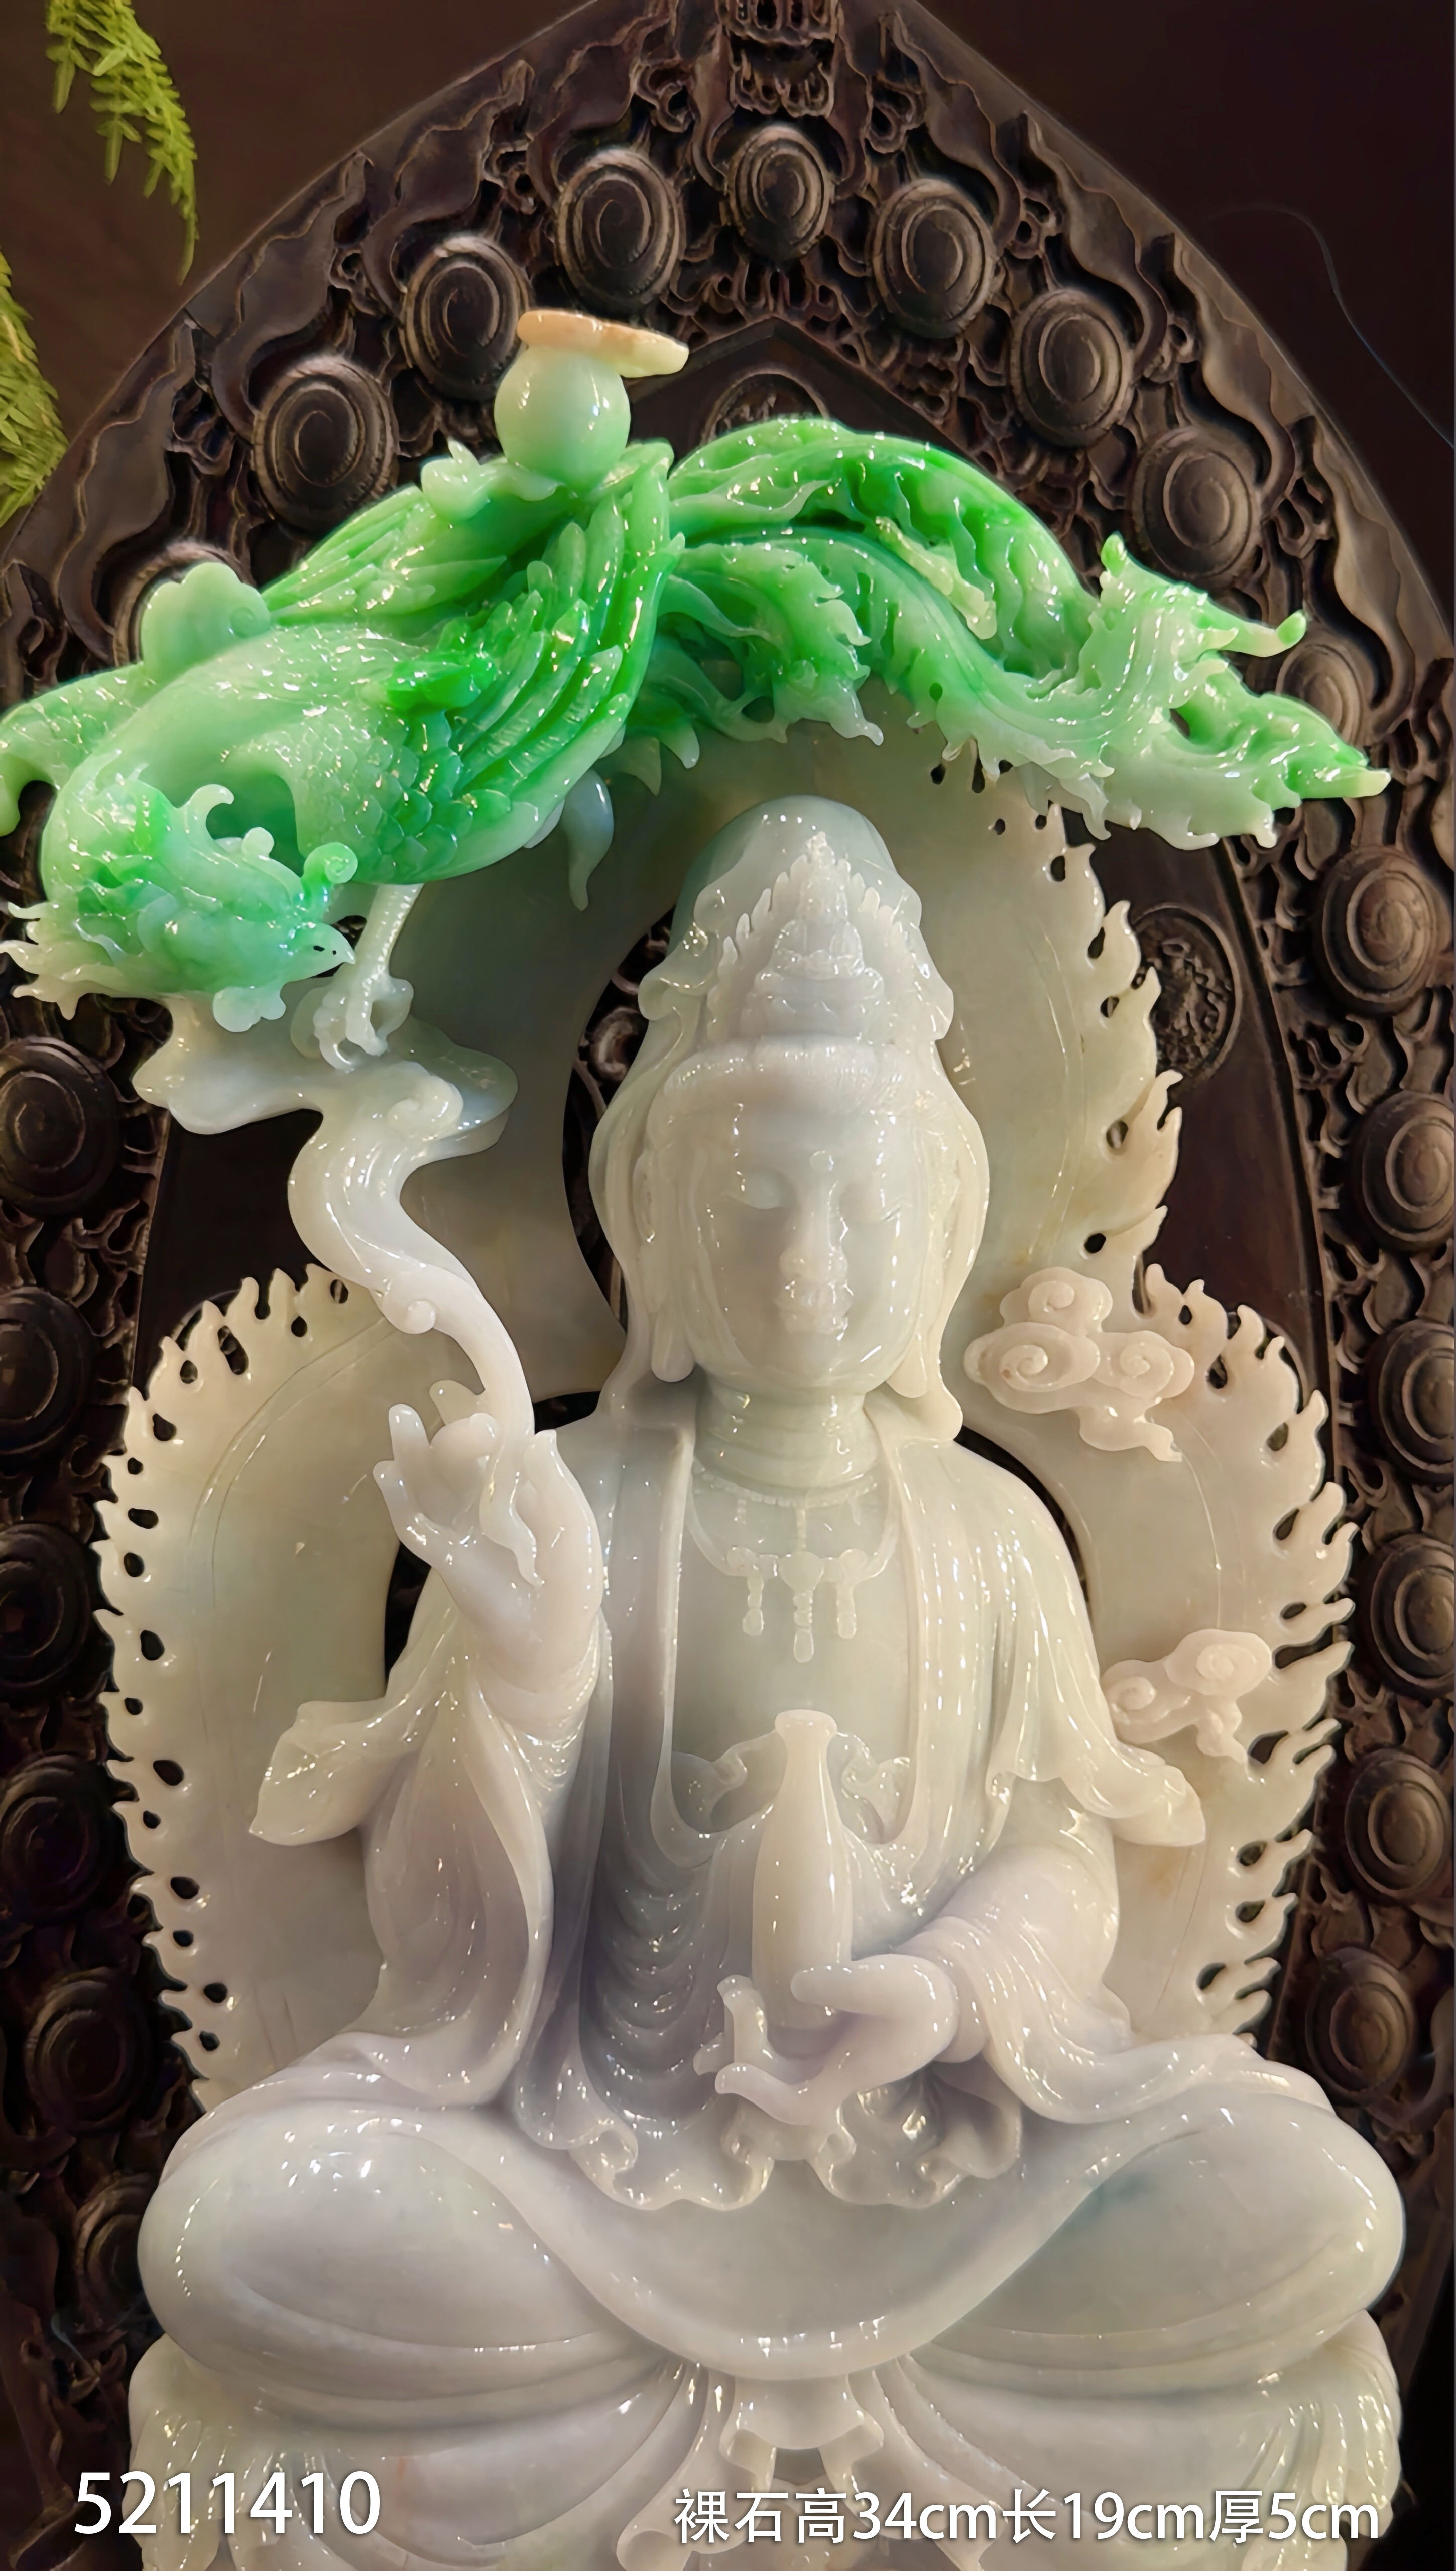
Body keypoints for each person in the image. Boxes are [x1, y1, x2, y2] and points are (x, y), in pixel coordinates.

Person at [136, 799, 1400, 2567]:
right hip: (593, 2172)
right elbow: (440, 1959)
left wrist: (946, 1990)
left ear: (939, 1232)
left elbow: (1057, 1858)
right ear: (648, 1226)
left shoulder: (987, 1536)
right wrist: (526, 1683)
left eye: (862, 1207)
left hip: (938, 2175)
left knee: (1310, 2202)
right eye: (748, 1203)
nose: (807, 1266)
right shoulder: (569, 1508)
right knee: (236, 2235)